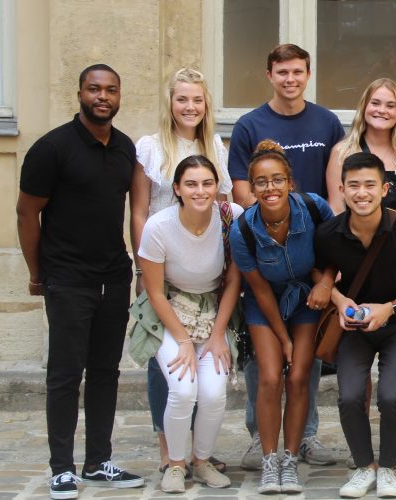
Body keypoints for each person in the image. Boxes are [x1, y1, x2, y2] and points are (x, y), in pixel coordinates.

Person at [17, 64, 145, 499]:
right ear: (79, 93)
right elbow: (26, 212)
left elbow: (131, 211)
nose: (102, 96)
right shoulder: (52, 148)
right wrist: (38, 273)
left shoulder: (126, 148)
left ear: (119, 95)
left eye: (110, 89)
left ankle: (97, 461)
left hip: (113, 275)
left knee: (106, 371)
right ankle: (61, 467)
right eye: (94, 89)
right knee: (65, 374)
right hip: (67, 277)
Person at [228, 43, 343, 470]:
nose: (290, 79)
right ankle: (262, 439)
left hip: (310, 250)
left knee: (304, 364)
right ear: (270, 74)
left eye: (298, 72)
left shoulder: (327, 121)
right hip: (266, 248)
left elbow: (333, 186)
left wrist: (325, 253)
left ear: (308, 75)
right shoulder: (249, 124)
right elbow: (242, 188)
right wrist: (268, 213)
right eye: (283, 72)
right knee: (264, 364)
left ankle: (304, 437)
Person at [313, 152, 396, 498]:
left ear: (384, 189)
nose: (361, 193)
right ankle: (363, 466)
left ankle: (387, 468)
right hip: (353, 329)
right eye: (353, 185)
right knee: (350, 395)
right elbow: (319, 270)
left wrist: (390, 308)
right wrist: (340, 301)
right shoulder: (329, 232)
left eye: (370, 185)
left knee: (390, 396)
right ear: (341, 189)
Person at [129, 67, 233, 475]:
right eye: (181, 99)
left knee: (203, 373)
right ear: (170, 104)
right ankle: (167, 447)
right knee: (168, 362)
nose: (189, 107)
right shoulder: (151, 147)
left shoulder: (214, 145)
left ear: (206, 105)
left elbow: (223, 204)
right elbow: (139, 209)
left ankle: (197, 450)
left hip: (203, 259)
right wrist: (143, 267)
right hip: (161, 258)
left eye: (197, 100)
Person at [228, 140, 336, 494]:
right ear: (251, 187)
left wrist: (325, 282)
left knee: (300, 375)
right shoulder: (243, 229)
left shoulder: (314, 207)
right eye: (261, 182)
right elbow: (258, 289)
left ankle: (291, 459)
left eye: (277, 180)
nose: (270, 188)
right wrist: (284, 338)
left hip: (307, 298)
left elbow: (338, 248)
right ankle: (270, 460)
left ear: (290, 182)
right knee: (271, 377)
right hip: (266, 303)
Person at [139, 156, 242, 493]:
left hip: (213, 312)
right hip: (169, 314)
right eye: (192, 184)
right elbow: (154, 291)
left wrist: (217, 337)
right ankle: (175, 463)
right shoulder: (159, 226)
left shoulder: (232, 219)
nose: (201, 191)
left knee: (213, 393)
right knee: (183, 390)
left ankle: (202, 461)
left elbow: (232, 283)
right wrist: (183, 341)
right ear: (178, 189)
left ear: (217, 187)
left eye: (207, 183)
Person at [327, 78, 396, 214]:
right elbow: (336, 209)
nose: (382, 110)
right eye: (375, 103)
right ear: (364, 106)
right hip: (354, 233)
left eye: (390, 106)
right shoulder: (342, 152)